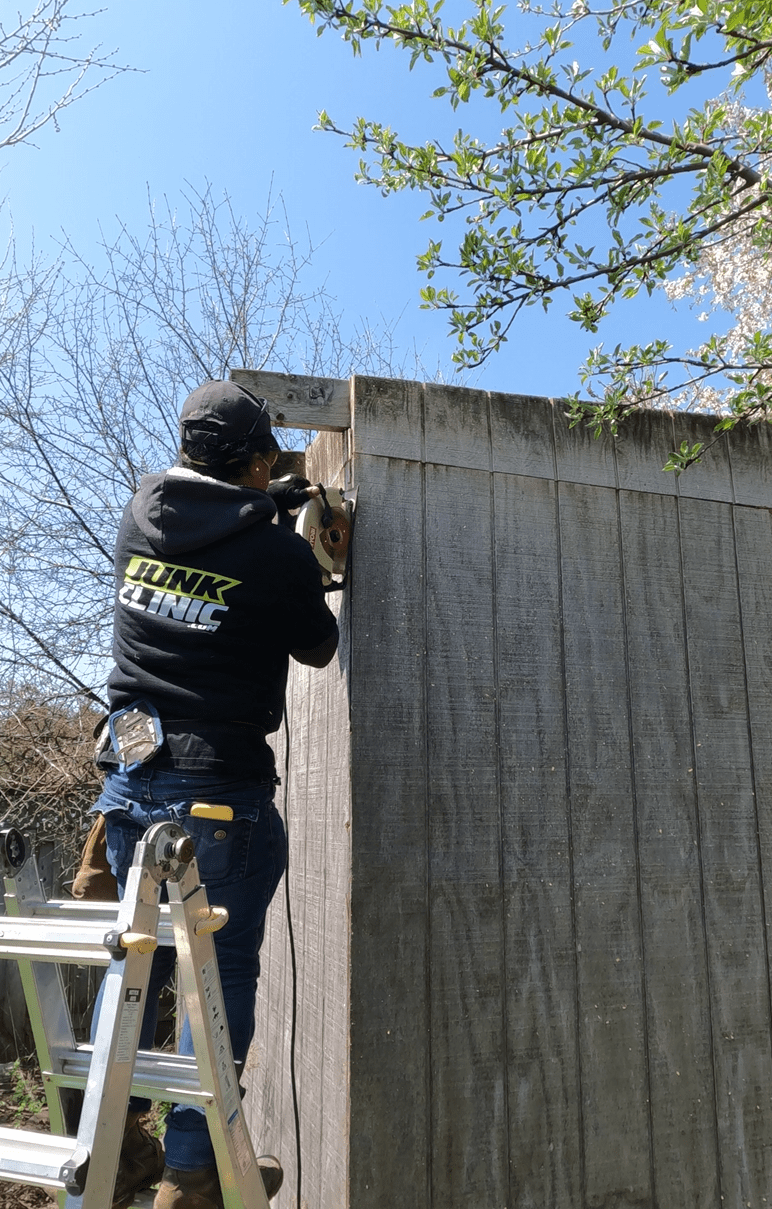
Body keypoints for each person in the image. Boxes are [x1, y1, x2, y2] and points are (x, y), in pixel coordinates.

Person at [81, 380, 339, 1209]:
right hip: (217, 799)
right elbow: (318, 644)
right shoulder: (274, 551)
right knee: (216, 980)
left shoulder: (139, 517)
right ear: (259, 460)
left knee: (139, 969)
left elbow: (211, 535)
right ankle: (192, 1172)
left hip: (128, 782)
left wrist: (265, 506)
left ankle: (112, 1148)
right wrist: (302, 538)